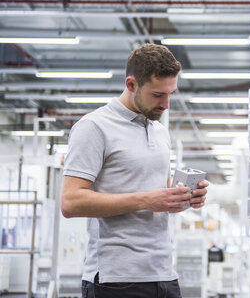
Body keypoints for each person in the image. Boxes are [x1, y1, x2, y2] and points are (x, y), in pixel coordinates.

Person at [61, 43, 208, 298]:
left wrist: (183, 198)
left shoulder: (159, 130)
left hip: (163, 273)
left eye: (171, 93)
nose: (166, 104)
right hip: (116, 279)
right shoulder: (94, 127)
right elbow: (70, 202)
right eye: (158, 95)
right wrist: (147, 199)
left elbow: (157, 197)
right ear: (131, 85)